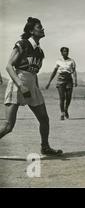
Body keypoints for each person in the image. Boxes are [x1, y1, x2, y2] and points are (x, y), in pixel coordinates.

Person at [0, 17, 63, 156]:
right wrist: (20, 85)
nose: (42, 29)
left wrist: (36, 89)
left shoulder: (40, 52)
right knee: (9, 126)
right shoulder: (22, 44)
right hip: (18, 83)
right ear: (31, 31)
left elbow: (33, 73)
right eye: (39, 27)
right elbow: (9, 66)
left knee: (44, 119)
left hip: (32, 85)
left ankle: (45, 147)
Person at [46, 47, 77, 120]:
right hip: (60, 80)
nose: (65, 53)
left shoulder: (72, 61)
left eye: (67, 51)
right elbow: (54, 71)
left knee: (68, 97)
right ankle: (62, 113)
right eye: (64, 51)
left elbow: (74, 71)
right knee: (62, 98)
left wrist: (75, 80)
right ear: (61, 52)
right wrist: (49, 82)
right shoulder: (58, 61)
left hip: (69, 80)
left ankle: (66, 109)